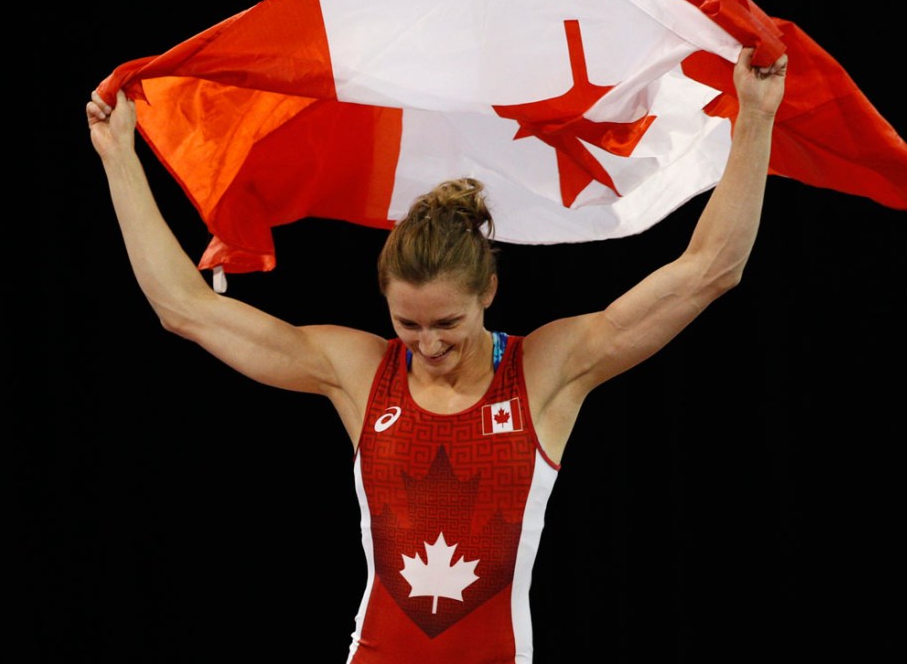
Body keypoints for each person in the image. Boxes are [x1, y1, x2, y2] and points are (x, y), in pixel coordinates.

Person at [86, 45, 787, 663]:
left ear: (489, 289)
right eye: (407, 323)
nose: (427, 344)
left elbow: (710, 270)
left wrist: (755, 118)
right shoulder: (361, 373)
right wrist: (120, 158)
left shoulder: (545, 372)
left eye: (447, 322)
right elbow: (187, 310)